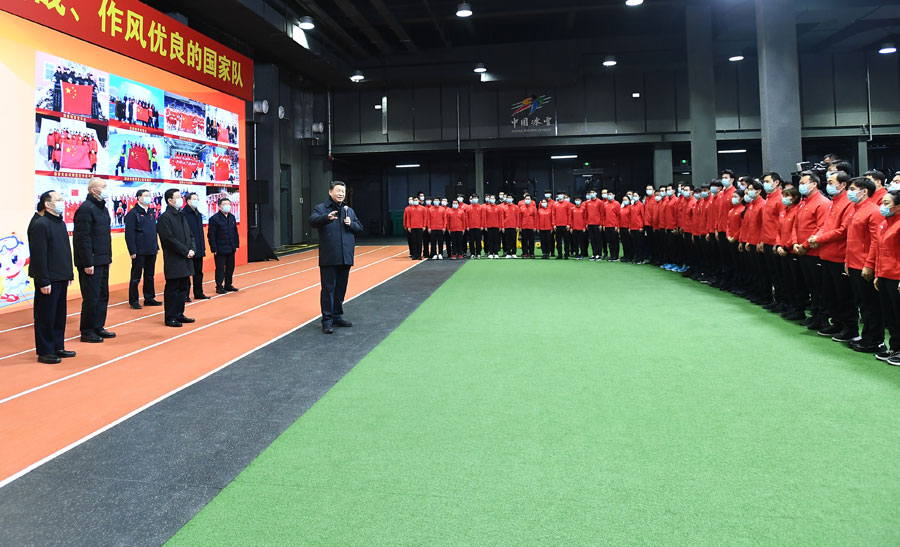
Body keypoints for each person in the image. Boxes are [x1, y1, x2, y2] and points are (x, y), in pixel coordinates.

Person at [28, 191, 75, 364]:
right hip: (48, 278)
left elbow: (65, 250)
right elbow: (39, 256)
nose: (62, 202)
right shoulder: (40, 224)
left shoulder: (60, 223)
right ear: (47, 204)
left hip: (61, 276)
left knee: (59, 315)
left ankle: (58, 346)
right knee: (45, 316)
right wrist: (43, 280)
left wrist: (69, 273)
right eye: (58, 200)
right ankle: (45, 351)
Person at [310, 181, 363, 334]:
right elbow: (312, 221)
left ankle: (337, 316)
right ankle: (327, 320)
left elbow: (360, 227)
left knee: (340, 289)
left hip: (345, 257)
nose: (341, 194)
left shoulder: (349, 211)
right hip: (329, 257)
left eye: (343, 192)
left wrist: (351, 224)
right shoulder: (321, 208)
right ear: (330, 191)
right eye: (338, 191)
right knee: (328, 289)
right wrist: (326, 218)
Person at [845, 177, 884, 353]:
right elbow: (851, 239)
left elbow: (876, 241)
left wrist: (869, 264)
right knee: (863, 304)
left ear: (864, 191)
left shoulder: (873, 211)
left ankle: (875, 340)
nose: (850, 192)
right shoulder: (855, 209)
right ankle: (867, 336)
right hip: (853, 263)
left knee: (871, 305)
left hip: (864, 265)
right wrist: (847, 261)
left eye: (853, 189)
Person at [73, 177, 115, 343]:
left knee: (103, 296)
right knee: (91, 297)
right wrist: (88, 261)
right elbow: (82, 238)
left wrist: (108, 257)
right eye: (103, 186)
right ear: (93, 190)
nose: (106, 188)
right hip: (90, 262)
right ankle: (87, 330)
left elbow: (105, 236)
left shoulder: (103, 209)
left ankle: (98, 326)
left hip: (102, 259)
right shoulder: (85, 209)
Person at [156, 189, 196, 327]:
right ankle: (170, 317)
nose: (181, 199)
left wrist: (192, 249)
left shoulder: (181, 215)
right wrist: (185, 251)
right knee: (173, 289)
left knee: (183, 287)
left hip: (186, 258)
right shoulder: (165, 218)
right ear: (169, 200)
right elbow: (168, 239)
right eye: (178, 197)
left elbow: (190, 235)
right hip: (174, 259)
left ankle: (179, 314)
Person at [123, 189, 162, 309]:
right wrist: (132, 251)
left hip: (151, 249)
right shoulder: (133, 214)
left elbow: (153, 231)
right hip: (139, 251)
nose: (148, 197)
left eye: (149, 195)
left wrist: (156, 246)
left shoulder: (151, 212)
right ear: (139, 198)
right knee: (136, 277)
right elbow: (129, 234)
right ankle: (134, 300)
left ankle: (149, 298)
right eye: (145, 195)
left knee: (149, 276)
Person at [874, 190, 900, 365]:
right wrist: (877, 274)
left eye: (886, 203)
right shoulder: (884, 224)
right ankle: (895, 347)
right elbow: (879, 251)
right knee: (890, 315)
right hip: (884, 275)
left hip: (896, 276)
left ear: (898, 206)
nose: (882, 207)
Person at [208, 197, 240, 293]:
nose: (227, 206)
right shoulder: (214, 219)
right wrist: (214, 248)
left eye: (229, 204)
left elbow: (235, 232)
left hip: (231, 247)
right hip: (220, 248)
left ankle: (228, 285)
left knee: (230, 267)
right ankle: (219, 286)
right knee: (220, 268)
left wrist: (236, 245)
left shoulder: (232, 217)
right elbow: (211, 235)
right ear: (219, 206)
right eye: (225, 204)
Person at [183, 192, 210, 301]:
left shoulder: (198, 214)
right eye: (194, 199)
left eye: (197, 199)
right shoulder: (183, 214)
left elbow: (200, 233)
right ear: (188, 201)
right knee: (187, 273)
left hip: (199, 247)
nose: (196, 201)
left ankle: (198, 293)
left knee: (198, 272)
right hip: (189, 248)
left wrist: (202, 247)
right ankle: (185, 294)